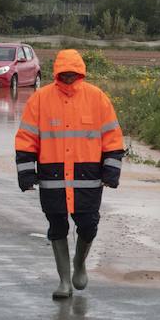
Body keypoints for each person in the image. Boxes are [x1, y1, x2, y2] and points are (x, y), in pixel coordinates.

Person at [14, 49, 125, 299]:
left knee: (88, 226)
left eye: (72, 74)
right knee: (57, 226)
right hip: (52, 177)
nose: (68, 78)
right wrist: (26, 174)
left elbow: (113, 138)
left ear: (80, 73)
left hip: (88, 177)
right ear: (56, 73)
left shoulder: (97, 98)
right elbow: (26, 139)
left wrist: (111, 171)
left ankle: (80, 262)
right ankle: (64, 281)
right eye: (63, 74)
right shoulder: (40, 99)